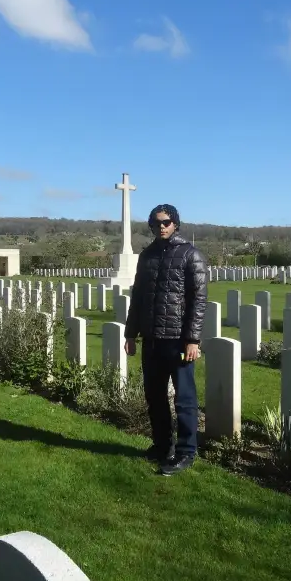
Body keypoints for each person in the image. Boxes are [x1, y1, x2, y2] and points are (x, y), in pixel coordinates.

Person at [123, 204, 208, 476]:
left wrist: (192, 339)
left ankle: (186, 452)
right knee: (155, 397)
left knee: (184, 399)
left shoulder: (191, 255)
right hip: (152, 339)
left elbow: (198, 300)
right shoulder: (146, 256)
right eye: (157, 222)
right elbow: (138, 298)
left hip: (178, 340)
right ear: (151, 225)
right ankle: (162, 445)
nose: (163, 226)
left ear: (176, 224)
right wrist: (130, 333)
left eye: (167, 222)